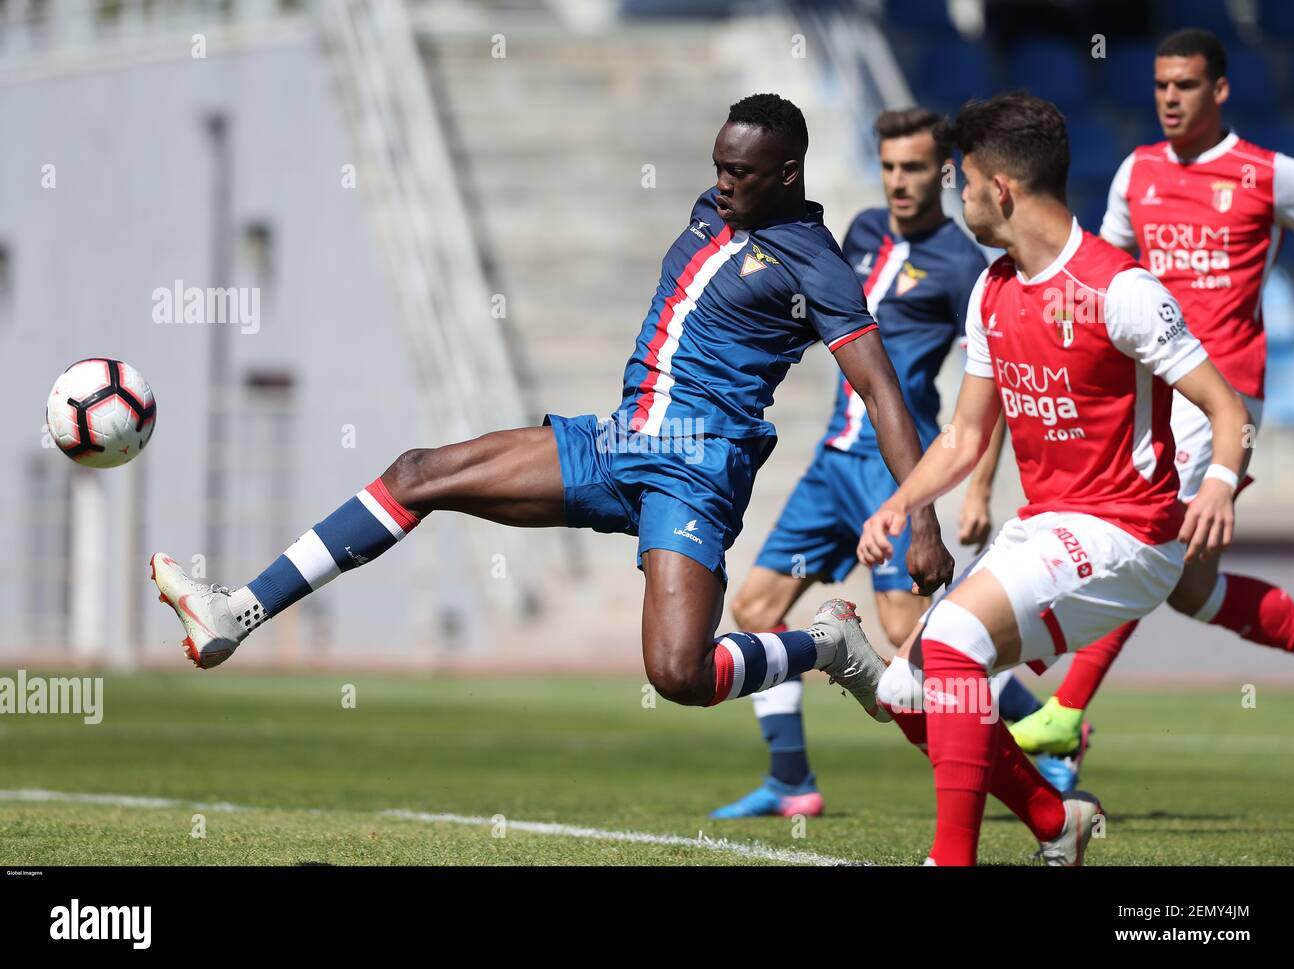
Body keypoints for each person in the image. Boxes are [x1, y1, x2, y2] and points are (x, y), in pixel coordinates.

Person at [150, 94, 954, 727]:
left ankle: (823, 645)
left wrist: (920, 517)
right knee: (417, 473)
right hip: (611, 441)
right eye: (717, 165)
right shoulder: (718, 206)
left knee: (677, 674)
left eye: (742, 172)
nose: (722, 182)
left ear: (789, 173)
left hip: (695, 469)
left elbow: (882, 390)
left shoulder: (818, 267)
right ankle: (237, 609)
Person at [860, 92, 1248, 865]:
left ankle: (951, 859)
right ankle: (1052, 820)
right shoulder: (992, 291)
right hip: (1048, 523)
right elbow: (968, 433)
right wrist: (902, 502)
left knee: (956, 642)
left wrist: (1220, 482)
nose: (957, 196)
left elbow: (1224, 405)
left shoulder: (1120, 288)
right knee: (905, 690)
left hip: (1131, 531)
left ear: (999, 189)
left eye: (961, 182)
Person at [709, 108, 1050, 819]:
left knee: (906, 631)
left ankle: (1039, 731)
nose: (900, 181)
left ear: (944, 172)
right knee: (755, 606)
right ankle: (792, 778)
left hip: (895, 468)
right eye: (891, 166)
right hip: (834, 461)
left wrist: (977, 484)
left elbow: (995, 380)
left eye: (916, 167)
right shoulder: (860, 231)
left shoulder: (963, 265)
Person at [1011, 27, 1294, 759]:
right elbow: (1103, 265)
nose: (1170, 97)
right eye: (1162, 85)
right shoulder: (1136, 172)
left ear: (1221, 90)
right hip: (1153, 390)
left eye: (1187, 85)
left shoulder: (1269, 175)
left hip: (1223, 394)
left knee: (1147, 535)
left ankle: (1067, 710)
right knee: (1189, 587)